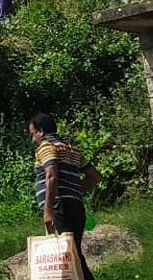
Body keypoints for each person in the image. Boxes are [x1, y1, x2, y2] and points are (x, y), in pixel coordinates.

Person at [29, 113, 101, 280]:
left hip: (58, 207)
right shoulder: (71, 149)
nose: (32, 139)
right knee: (72, 254)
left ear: (41, 132)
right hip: (75, 206)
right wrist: (75, 191)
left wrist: (48, 210)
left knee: (68, 256)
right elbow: (95, 176)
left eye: (33, 134)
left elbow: (51, 176)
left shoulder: (46, 147)